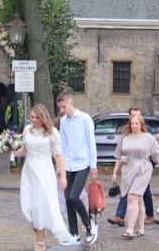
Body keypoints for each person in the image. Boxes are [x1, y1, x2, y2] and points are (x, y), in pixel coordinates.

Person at [20, 104, 82, 251]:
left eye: (37, 117)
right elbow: (24, 149)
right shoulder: (27, 130)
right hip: (29, 170)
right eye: (32, 117)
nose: (33, 120)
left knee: (41, 205)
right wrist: (9, 149)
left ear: (43, 117)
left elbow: (58, 155)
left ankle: (40, 241)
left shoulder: (52, 132)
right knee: (27, 205)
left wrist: (63, 176)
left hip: (44, 170)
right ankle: (39, 229)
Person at [109, 110, 159, 240]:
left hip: (143, 169)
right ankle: (140, 228)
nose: (134, 126)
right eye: (132, 123)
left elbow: (157, 155)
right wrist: (115, 173)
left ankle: (129, 229)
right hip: (128, 170)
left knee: (132, 198)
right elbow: (118, 157)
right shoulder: (124, 138)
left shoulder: (147, 138)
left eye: (136, 123)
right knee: (138, 201)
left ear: (141, 124)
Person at [55, 92, 99, 246]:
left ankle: (90, 225)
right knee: (67, 199)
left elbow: (91, 142)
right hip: (69, 165)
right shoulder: (64, 121)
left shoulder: (85, 119)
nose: (61, 110)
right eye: (59, 107)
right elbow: (64, 145)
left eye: (63, 107)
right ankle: (74, 233)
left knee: (74, 197)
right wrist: (61, 167)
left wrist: (93, 165)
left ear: (70, 102)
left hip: (83, 164)